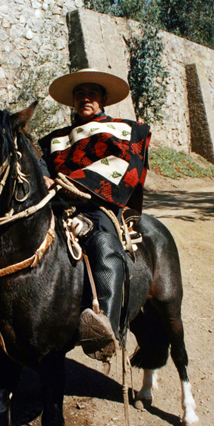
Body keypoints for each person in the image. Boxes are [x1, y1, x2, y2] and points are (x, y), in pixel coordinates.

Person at [39, 68, 151, 361]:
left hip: (99, 204)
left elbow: (124, 165)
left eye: (91, 93)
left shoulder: (121, 130)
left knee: (103, 242)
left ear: (103, 99)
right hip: (55, 203)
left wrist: (70, 181)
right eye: (79, 94)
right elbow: (40, 163)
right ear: (72, 102)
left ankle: (106, 327)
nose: (85, 98)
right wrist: (45, 178)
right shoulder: (55, 139)